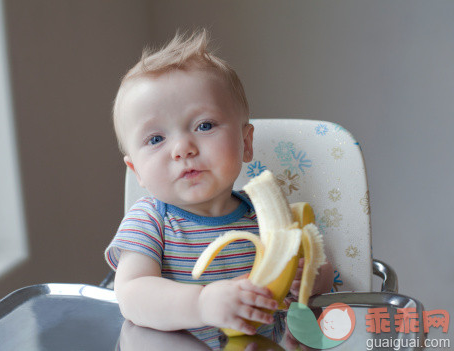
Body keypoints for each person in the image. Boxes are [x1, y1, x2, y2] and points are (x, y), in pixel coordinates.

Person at [104, 29, 333, 348]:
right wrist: (202, 304)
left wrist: (308, 277)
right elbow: (132, 294)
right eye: (156, 139)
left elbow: (322, 282)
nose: (182, 148)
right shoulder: (150, 222)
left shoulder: (265, 220)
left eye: (204, 125)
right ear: (136, 171)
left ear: (246, 143)